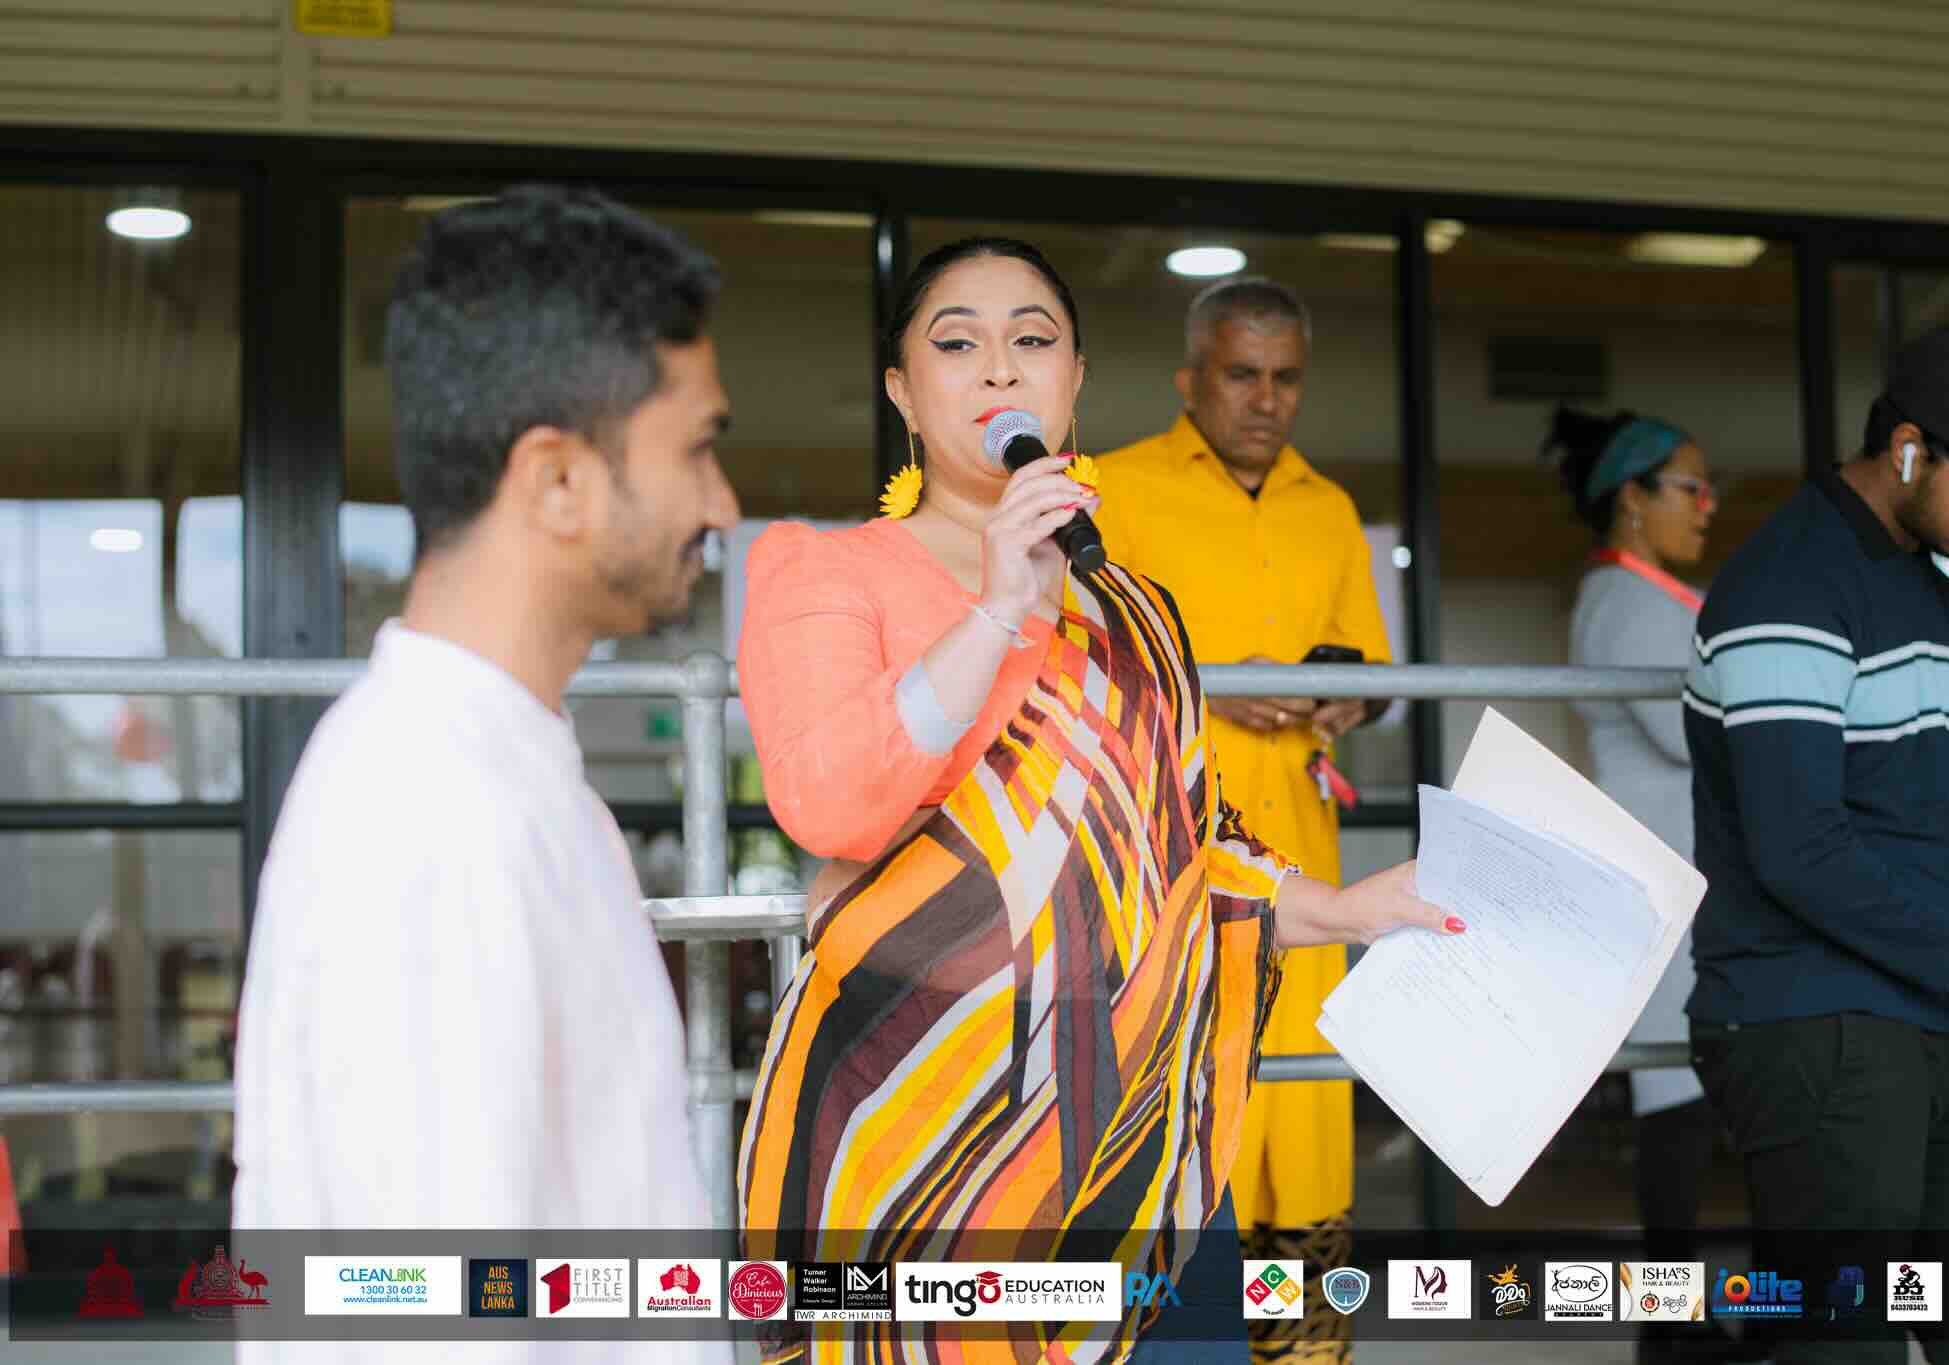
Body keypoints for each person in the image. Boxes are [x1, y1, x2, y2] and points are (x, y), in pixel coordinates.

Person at [736, 239, 1454, 1363]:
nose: (998, 371)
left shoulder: (1138, 613)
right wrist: (994, 608)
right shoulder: (826, 575)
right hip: (921, 1144)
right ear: (901, 394)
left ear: (1071, 384)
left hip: (1135, 1138)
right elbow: (831, 804)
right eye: (957, 343)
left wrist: (1344, 909)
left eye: (1032, 342)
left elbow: (1185, 840)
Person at [233, 185, 738, 1363]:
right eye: (699, 448)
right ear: (557, 480)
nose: (722, 503)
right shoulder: (427, 817)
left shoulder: (512, 783)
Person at [1685, 319, 1949, 1363]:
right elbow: (1795, 845)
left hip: (1930, 1021)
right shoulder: (1786, 587)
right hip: (1812, 1035)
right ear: (1905, 448)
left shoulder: (1930, 600)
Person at [1090, 278, 1390, 1363]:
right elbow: (1072, 659)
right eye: (1240, 374)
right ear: (1189, 380)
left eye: (1285, 377)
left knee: (1301, 1138)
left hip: (1303, 874)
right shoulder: (1112, 493)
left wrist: (1351, 695)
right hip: (1162, 874)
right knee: (1180, 1137)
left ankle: (1304, 1352)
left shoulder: (1329, 509)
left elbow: (1370, 663)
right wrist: (1206, 689)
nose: (1265, 399)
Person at [1546, 407, 1756, 1365]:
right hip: (1659, 880)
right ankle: (1667, 1329)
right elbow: (1690, 731)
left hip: (1684, 876)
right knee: (1674, 1107)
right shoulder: (1624, 600)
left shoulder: (1656, 594)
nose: (1707, 508)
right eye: (1689, 488)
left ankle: (1677, 1322)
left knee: (1685, 1102)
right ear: (1632, 498)